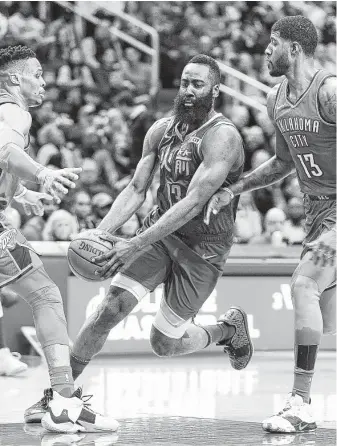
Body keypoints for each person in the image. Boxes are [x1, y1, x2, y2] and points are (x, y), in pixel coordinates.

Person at [69, 54, 253, 384]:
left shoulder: (222, 136)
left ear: (214, 90)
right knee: (109, 309)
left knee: (163, 344)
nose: (188, 90)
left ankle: (226, 331)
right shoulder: (160, 130)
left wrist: (134, 242)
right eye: (184, 83)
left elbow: (194, 203)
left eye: (198, 84)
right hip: (159, 235)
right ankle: (61, 391)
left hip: (203, 249)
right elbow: (137, 188)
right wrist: (100, 233)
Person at [205, 16, 336, 433]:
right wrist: (236, 188)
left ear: (294, 48)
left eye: (274, 42)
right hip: (315, 212)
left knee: (303, 285)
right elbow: (283, 162)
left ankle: (301, 402)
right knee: (327, 318)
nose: (266, 50)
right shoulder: (277, 98)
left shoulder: (329, 92)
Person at [0, 45, 118, 433]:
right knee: (46, 296)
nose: (44, 81)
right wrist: (42, 174)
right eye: (37, 74)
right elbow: (5, 149)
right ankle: (63, 401)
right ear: (15, 78)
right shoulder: (13, 111)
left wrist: (21, 194)